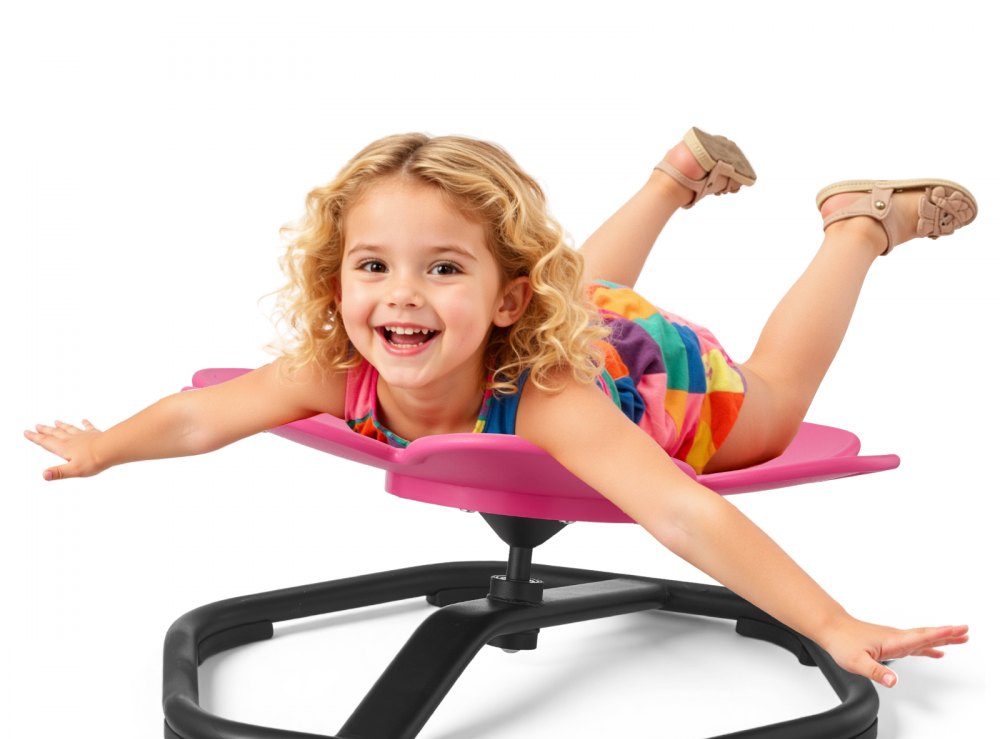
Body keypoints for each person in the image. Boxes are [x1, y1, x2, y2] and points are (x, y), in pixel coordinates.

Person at [25, 129, 974, 688]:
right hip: (571, 318)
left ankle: (859, 224)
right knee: (576, 290)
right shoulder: (336, 366)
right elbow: (202, 416)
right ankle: (675, 175)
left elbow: (682, 510)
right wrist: (108, 447)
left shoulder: (550, 400)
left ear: (506, 299)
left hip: (657, 380)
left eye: (442, 268)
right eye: (373, 266)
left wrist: (829, 621)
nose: (401, 294)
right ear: (335, 282)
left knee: (776, 400)